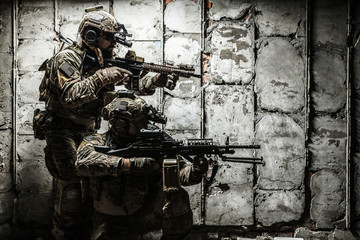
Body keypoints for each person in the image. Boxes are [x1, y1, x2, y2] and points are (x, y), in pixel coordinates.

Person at [35, 8, 178, 240]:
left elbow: (133, 85)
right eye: (109, 37)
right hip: (62, 129)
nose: (113, 43)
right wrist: (103, 76)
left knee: (92, 185)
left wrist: (155, 80)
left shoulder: (101, 59)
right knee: (72, 188)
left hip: (88, 129)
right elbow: (71, 96)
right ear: (91, 35)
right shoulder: (66, 59)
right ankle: (64, 234)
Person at [75, 96, 208, 240]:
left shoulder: (153, 140)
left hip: (145, 213)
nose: (145, 124)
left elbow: (179, 172)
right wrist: (129, 164)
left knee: (177, 197)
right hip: (110, 219)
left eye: (145, 119)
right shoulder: (97, 141)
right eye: (138, 121)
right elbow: (82, 162)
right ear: (121, 124)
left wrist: (195, 171)